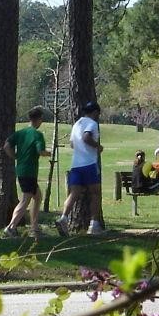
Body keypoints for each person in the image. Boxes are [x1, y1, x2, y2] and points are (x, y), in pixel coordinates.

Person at [55, 101, 105, 236]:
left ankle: (64, 218)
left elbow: (72, 143)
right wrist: (97, 147)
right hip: (89, 163)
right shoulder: (92, 124)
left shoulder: (77, 124)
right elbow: (86, 137)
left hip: (75, 165)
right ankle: (94, 225)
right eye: (98, 114)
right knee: (95, 193)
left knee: (74, 193)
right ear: (95, 112)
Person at [2, 106, 51, 238]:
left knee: (37, 196)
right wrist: (48, 153)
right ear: (39, 119)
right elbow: (40, 151)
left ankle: (34, 228)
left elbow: (6, 145)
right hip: (29, 171)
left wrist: (15, 156)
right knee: (25, 199)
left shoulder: (20, 133)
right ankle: (11, 227)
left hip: (22, 169)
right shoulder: (38, 135)